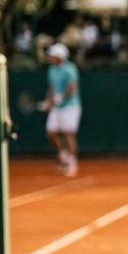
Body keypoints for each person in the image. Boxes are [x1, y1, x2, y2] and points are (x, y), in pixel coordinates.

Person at [40, 43, 81, 176]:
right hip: (57, 107)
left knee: (68, 133)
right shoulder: (51, 70)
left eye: (52, 55)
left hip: (70, 106)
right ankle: (64, 156)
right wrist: (48, 101)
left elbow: (72, 87)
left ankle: (72, 163)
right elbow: (51, 88)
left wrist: (61, 98)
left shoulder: (70, 69)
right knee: (51, 133)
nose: (50, 57)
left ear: (59, 57)